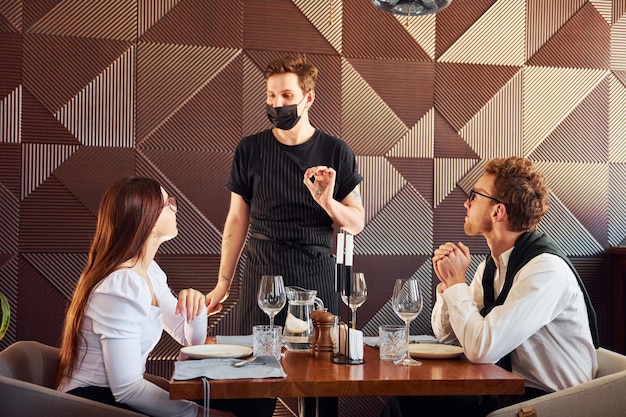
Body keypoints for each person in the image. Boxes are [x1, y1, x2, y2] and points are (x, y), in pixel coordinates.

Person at [382, 157, 599, 417]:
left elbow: (481, 349)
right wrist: (448, 285)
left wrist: (456, 284)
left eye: (475, 195)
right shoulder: (493, 266)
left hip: (550, 404)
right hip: (506, 390)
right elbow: (448, 336)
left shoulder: (544, 271)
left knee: (407, 407)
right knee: (405, 403)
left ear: (498, 211)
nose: (466, 202)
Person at [205, 54, 365, 330]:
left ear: (309, 98)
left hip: (316, 274)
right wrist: (223, 283)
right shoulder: (250, 149)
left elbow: (356, 222)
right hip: (263, 274)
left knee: (317, 366)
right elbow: (237, 220)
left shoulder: (336, 151)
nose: (277, 104)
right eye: (271, 95)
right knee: (258, 363)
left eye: (287, 95)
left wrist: (328, 203)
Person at [56, 177, 234, 417]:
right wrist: (200, 414)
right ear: (149, 221)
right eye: (168, 202)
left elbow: (189, 338)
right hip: (91, 404)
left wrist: (197, 307)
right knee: (237, 406)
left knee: (241, 403)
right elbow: (127, 390)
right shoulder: (122, 285)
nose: (175, 206)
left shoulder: (148, 271)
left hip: (114, 399)